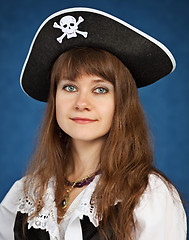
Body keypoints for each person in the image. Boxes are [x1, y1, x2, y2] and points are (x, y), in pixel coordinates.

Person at [0, 7, 187, 240]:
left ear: (121, 102)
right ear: (55, 100)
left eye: (100, 89)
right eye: (70, 87)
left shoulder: (149, 195)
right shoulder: (23, 194)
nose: (82, 103)